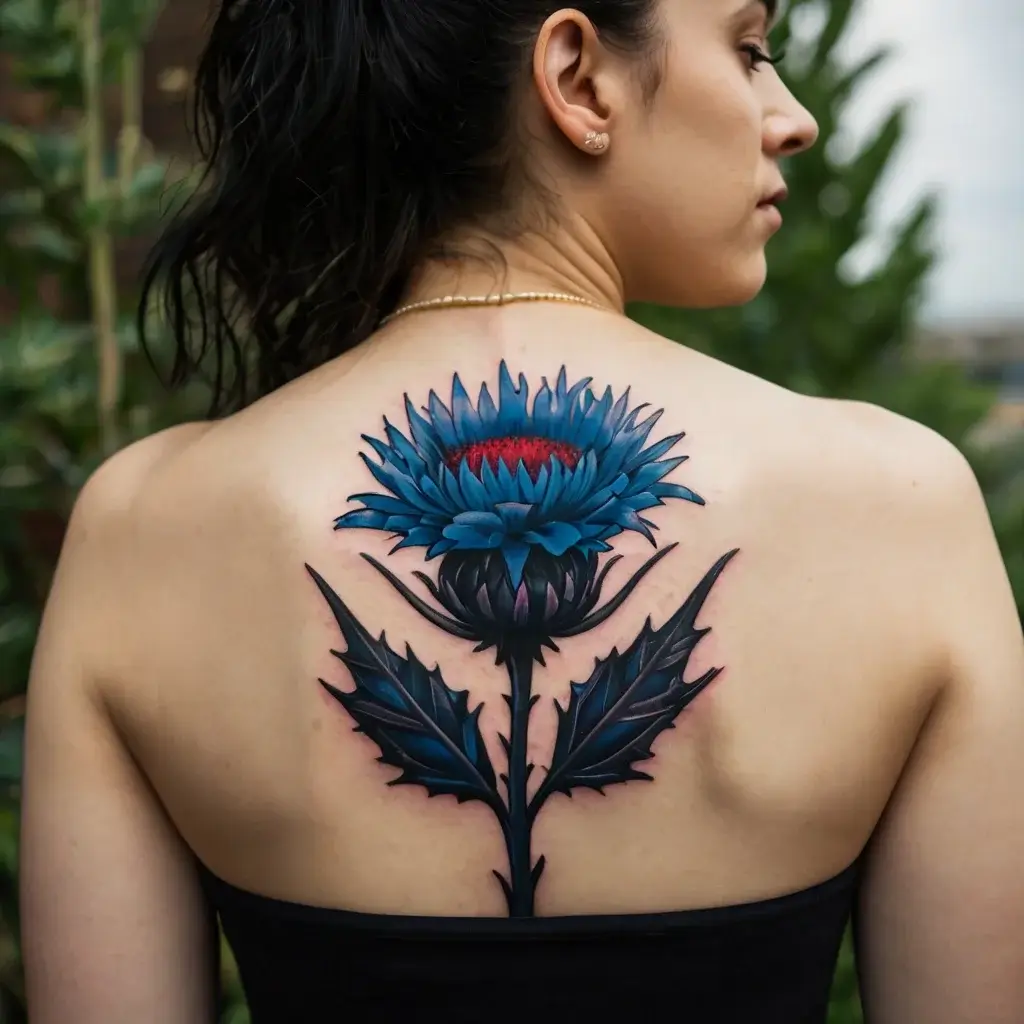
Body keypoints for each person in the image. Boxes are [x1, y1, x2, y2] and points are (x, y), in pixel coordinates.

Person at [19, 0, 1024, 1021]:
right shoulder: (901, 505)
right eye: (749, 49)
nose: (792, 115)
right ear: (578, 77)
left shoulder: (143, 528)